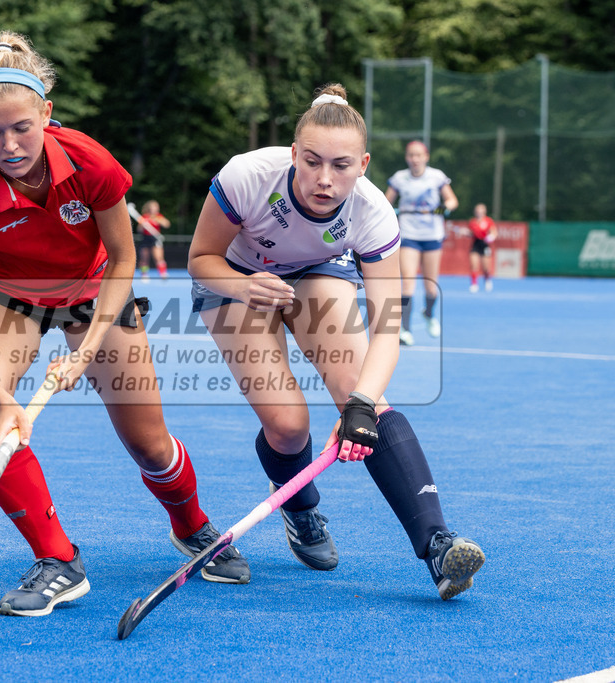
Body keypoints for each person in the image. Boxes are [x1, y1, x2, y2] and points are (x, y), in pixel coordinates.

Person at [0, 31, 249, 618]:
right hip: (5, 290)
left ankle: (192, 526)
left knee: (149, 443)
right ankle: (57, 560)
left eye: (21, 127)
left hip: (92, 286)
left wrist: (86, 350)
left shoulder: (88, 160)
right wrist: (4, 400)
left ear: (46, 113)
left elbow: (123, 259)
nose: (9, 144)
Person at [187, 83, 484, 601]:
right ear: (294, 153)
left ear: (364, 164)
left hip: (316, 271)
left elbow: (387, 328)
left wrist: (364, 406)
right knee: (287, 426)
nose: (325, 179)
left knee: (358, 389)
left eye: (342, 165)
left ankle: (437, 543)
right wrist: (243, 285)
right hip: (233, 276)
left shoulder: (373, 213)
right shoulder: (247, 175)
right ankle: (301, 511)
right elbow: (200, 259)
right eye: (312, 161)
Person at [384, 140, 458, 345]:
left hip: (432, 236)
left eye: (418, 155)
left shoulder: (437, 177)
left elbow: (452, 202)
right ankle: (405, 329)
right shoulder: (399, 178)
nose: (414, 159)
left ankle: (428, 314)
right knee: (407, 282)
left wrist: (438, 210)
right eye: (411, 155)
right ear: (407, 158)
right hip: (409, 235)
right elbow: (384, 203)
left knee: (430, 286)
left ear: (426, 157)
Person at [135, 199, 170, 281]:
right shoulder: (144, 217)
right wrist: (142, 224)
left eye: (156, 207)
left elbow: (167, 224)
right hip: (146, 238)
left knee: (159, 257)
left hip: (155, 238)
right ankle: (144, 275)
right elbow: (139, 230)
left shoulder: (159, 216)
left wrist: (158, 220)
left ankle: (163, 273)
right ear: (149, 208)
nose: (155, 209)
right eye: (153, 207)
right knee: (144, 258)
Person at [467, 203, 497, 293]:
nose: (479, 212)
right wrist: (465, 233)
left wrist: (490, 237)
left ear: (484, 211)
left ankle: (487, 280)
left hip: (484, 245)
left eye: (481, 210)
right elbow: (470, 233)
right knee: (474, 265)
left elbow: (494, 232)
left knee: (486, 267)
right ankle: (474, 284)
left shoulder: (488, 221)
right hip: (475, 244)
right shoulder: (472, 222)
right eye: (477, 211)